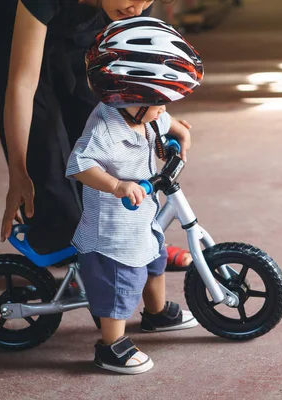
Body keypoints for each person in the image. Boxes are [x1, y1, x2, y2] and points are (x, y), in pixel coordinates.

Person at [0, 0, 192, 268]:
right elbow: (23, 85)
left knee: (100, 119)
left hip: (87, 11)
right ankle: (65, 246)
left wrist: (160, 117)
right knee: (43, 140)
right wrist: (17, 169)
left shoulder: (131, 4)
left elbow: (128, 74)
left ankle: (134, 242)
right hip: (5, 18)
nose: (139, 8)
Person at [65, 16, 204, 374]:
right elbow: (78, 164)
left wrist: (180, 133)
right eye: (160, 103)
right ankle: (111, 345)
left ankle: (156, 314)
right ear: (130, 95)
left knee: (154, 260)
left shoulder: (143, 111)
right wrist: (116, 185)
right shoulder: (104, 130)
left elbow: (166, 122)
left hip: (141, 216)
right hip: (112, 232)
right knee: (119, 283)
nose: (163, 110)